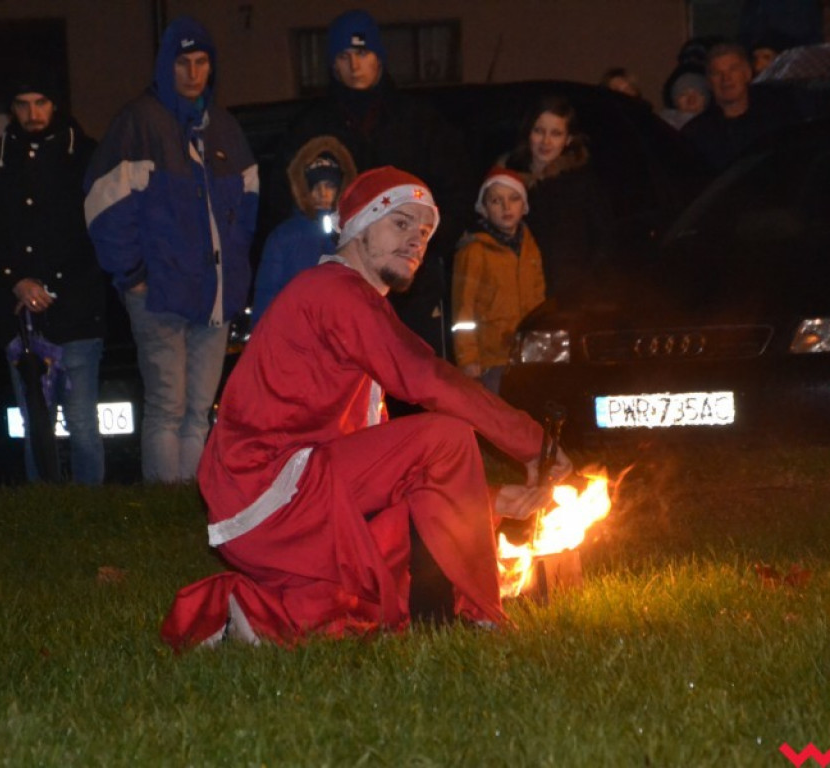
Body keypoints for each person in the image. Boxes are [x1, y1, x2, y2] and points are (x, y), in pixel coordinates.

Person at [160, 167, 572, 650]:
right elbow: (424, 377)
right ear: (359, 226)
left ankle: (251, 616)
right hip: (270, 489)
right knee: (444, 438)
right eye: (401, 223)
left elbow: (386, 463)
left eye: (424, 232)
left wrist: (489, 500)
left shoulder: (352, 302)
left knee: (382, 575)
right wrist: (531, 443)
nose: (416, 240)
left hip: (293, 493)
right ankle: (476, 615)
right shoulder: (334, 291)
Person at [84, 16, 258, 484]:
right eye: (183, 62)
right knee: (168, 405)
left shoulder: (223, 127)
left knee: (199, 409)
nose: (193, 72)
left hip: (213, 294)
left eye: (201, 62)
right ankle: (165, 507)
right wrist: (133, 273)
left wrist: (234, 268)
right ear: (166, 65)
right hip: (159, 293)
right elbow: (102, 204)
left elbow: (248, 205)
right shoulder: (139, 123)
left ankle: (193, 505)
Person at [271, 9, 470, 359]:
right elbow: (284, 199)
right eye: (344, 56)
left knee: (409, 372)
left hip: (409, 283)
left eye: (362, 53)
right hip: (338, 278)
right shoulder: (311, 126)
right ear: (332, 64)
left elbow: (455, 189)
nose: (354, 65)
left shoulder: (419, 121)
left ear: (379, 57)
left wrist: (426, 245)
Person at [0, 65, 107, 485]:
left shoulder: (85, 155)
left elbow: (100, 231)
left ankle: (91, 507)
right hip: (21, 314)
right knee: (36, 422)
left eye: (41, 103)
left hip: (78, 309)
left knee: (83, 423)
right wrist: (16, 280)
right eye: (22, 104)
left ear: (56, 104)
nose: (32, 113)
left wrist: (56, 285)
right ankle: (44, 506)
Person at [503, 95, 613, 298]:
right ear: (528, 133)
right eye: (539, 131)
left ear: (568, 139)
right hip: (518, 293)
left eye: (556, 133)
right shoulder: (506, 182)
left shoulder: (581, 183)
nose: (546, 141)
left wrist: (586, 286)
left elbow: (602, 240)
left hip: (567, 294)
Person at [451, 168, 545, 395]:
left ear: (524, 206)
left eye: (514, 199)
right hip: (491, 360)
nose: (506, 207)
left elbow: (539, 299)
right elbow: (463, 311)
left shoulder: (530, 247)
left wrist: (544, 347)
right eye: (496, 201)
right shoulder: (474, 250)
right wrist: (468, 359)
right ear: (483, 208)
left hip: (530, 355)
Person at [251, 135, 355, 324]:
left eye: (330, 186)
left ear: (340, 190)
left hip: (340, 330)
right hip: (296, 329)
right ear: (304, 189)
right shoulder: (284, 236)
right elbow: (267, 292)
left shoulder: (352, 235)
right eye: (315, 186)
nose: (323, 193)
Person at [680, 42, 799, 173]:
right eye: (717, 73)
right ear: (709, 82)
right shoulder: (695, 134)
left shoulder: (777, 120)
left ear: (747, 74)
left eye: (733, 69)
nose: (726, 79)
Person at [659, 66, 710, 130]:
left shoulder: (716, 127)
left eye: (698, 93)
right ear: (675, 100)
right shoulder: (661, 127)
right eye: (683, 94)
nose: (691, 100)